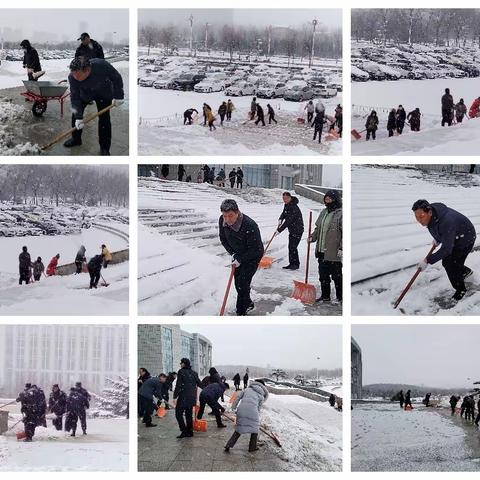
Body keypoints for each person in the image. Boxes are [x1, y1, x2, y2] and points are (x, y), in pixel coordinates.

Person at [413, 199, 476, 301]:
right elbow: (437, 228)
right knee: (450, 262)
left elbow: (446, 249)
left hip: (465, 238)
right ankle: (465, 272)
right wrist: (438, 239)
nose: (419, 220)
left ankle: (461, 290)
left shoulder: (446, 221)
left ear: (429, 212)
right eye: (416, 217)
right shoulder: (432, 215)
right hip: (454, 235)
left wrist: (427, 260)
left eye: (421, 217)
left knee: (451, 263)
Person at [64, 57, 124, 156]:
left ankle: (104, 148)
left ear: (87, 70)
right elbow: (75, 97)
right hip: (85, 94)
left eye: (77, 75)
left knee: (104, 119)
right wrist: (79, 117)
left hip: (104, 93)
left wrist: (119, 96)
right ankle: (76, 139)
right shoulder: (72, 77)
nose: (75, 77)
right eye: (73, 73)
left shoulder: (101, 65)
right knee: (75, 115)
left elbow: (116, 77)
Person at [219, 199, 264, 316]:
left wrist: (241, 258)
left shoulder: (249, 225)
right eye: (225, 216)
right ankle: (248, 303)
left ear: (237, 212)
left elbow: (257, 250)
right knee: (238, 283)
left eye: (230, 216)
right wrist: (233, 254)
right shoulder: (222, 221)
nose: (227, 219)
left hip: (252, 256)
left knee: (242, 284)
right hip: (237, 255)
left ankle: (241, 311)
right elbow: (223, 239)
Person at [311, 190, 342, 303]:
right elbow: (318, 228)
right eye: (326, 198)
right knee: (323, 276)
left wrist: (342, 248)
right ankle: (325, 296)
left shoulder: (341, 213)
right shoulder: (324, 212)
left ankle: (341, 297)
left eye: (330, 199)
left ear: (335, 200)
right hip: (321, 250)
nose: (327, 201)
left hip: (334, 252)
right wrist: (312, 237)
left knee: (337, 277)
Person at [224, 379, 269, 453]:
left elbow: (237, 398)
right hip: (253, 411)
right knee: (255, 429)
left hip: (241, 410)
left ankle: (228, 445)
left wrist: (233, 407)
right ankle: (252, 447)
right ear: (263, 386)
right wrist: (256, 413)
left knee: (239, 429)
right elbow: (258, 408)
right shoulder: (261, 395)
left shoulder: (247, 389)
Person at [173, 357, 202, 438]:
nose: (180, 364)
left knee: (178, 413)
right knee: (188, 414)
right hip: (192, 398)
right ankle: (190, 431)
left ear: (184, 364)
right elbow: (200, 384)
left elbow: (178, 385)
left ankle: (184, 431)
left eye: (181, 363)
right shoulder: (194, 373)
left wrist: (175, 396)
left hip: (183, 397)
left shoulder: (181, 372)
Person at [277, 191, 304, 270]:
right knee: (291, 247)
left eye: (286, 198)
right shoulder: (287, 205)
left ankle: (295, 264)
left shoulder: (294, 207)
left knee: (293, 247)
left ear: (290, 198)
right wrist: (280, 218)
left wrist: (279, 230)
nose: (284, 200)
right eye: (283, 198)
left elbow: (289, 221)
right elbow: (284, 213)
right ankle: (292, 263)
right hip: (292, 230)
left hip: (297, 230)